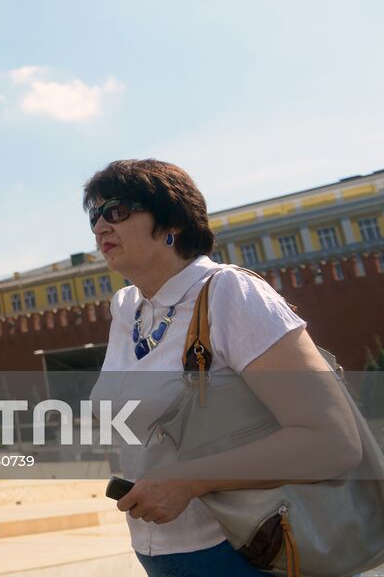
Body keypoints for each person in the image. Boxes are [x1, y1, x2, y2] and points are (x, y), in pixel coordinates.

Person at [85, 159, 361, 576]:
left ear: (171, 220)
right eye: (94, 215)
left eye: (116, 211)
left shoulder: (229, 292)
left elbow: (333, 441)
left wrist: (187, 481)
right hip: (159, 553)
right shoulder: (126, 310)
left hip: (250, 548)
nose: (100, 226)